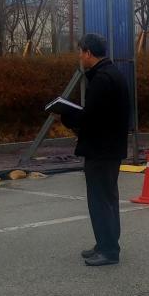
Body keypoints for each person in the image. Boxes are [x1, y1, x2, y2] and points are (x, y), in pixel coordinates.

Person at [60, 33, 130, 266]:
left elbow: (91, 118)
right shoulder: (114, 74)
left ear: (88, 52)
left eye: (80, 52)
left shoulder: (101, 79)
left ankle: (108, 250)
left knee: (100, 200)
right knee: (107, 198)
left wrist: (66, 115)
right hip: (110, 148)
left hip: (101, 150)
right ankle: (104, 243)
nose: (79, 57)